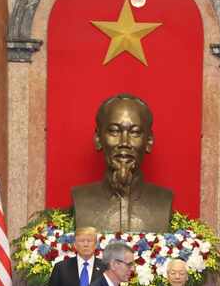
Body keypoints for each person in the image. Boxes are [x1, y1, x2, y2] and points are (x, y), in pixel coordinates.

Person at [72, 93, 173, 232]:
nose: (124, 143)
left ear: (149, 140)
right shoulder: (81, 198)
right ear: (98, 139)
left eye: (135, 132)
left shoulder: (163, 200)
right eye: (114, 131)